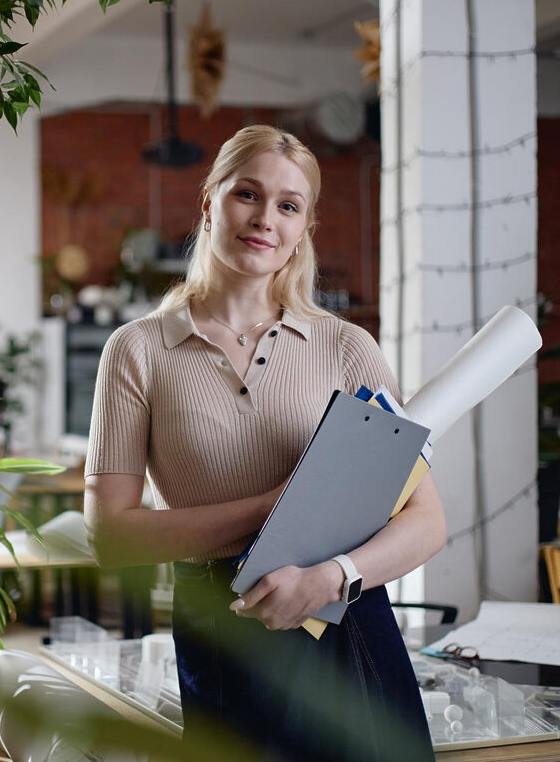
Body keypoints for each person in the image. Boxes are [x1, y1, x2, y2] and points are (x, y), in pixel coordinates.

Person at [84, 125, 445, 761]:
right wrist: (277, 503)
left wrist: (336, 576)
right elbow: (110, 533)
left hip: (348, 620)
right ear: (209, 201)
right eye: (248, 194)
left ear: (305, 226)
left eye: (288, 205)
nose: (265, 219)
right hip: (227, 624)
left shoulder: (346, 347)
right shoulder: (138, 349)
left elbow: (426, 519)